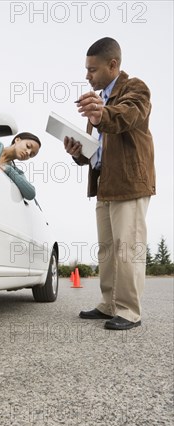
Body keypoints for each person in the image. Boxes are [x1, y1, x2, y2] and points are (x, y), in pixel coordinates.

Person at [64, 37, 155, 330]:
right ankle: (109, 304)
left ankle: (129, 311)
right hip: (105, 183)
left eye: (92, 69)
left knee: (128, 248)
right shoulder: (98, 101)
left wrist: (102, 114)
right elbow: (97, 150)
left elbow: (128, 116)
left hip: (130, 182)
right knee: (107, 249)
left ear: (112, 65)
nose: (87, 75)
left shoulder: (135, 89)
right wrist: (78, 153)